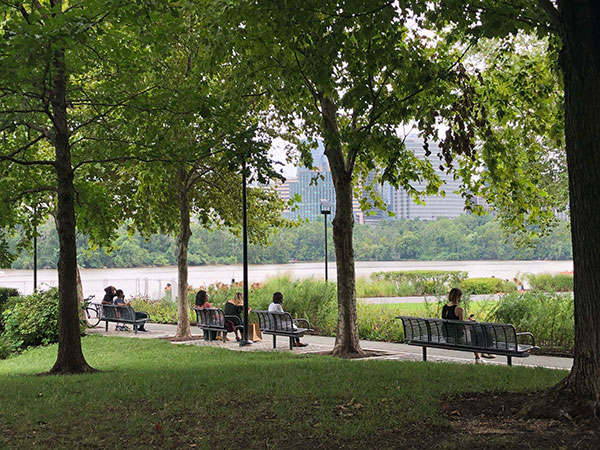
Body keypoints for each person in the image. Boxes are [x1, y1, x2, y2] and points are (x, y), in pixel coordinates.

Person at [442, 288, 493, 362]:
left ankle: (479, 356)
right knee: (477, 332)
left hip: (447, 336)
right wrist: (469, 323)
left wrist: (467, 322)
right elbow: (461, 326)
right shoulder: (459, 309)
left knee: (474, 332)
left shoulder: (444, 308)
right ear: (458, 297)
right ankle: (484, 352)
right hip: (457, 339)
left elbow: (454, 321)